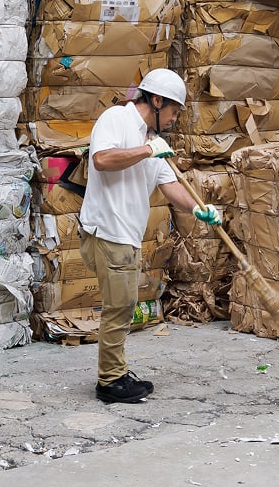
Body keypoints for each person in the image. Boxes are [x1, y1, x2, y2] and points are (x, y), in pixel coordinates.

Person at [79, 68, 222, 404]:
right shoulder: (116, 119)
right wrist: (146, 150)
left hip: (127, 233)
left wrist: (199, 208)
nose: (174, 119)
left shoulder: (153, 139)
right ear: (156, 101)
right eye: (173, 111)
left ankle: (117, 371)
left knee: (123, 305)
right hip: (108, 230)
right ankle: (110, 382)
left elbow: (170, 186)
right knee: (120, 307)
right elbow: (101, 160)